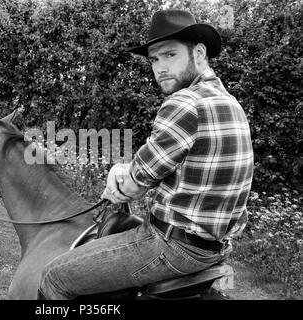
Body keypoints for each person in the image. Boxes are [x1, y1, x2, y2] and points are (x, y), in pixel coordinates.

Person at [38, 9, 254, 300]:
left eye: (170, 55)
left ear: (199, 53)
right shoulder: (231, 104)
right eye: (154, 59)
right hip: (214, 247)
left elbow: (133, 186)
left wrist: (117, 173)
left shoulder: (184, 102)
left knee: (54, 277)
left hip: (173, 247)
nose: (160, 67)